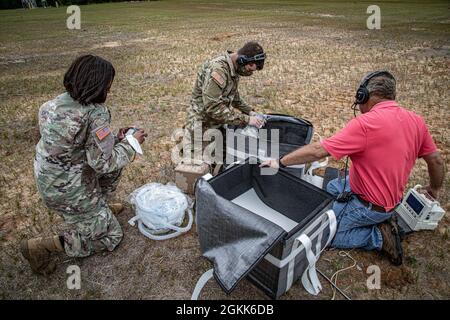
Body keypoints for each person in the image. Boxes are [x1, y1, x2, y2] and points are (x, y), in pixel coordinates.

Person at [261, 71, 444, 265]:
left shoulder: (365, 124)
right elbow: (436, 161)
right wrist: (434, 189)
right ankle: (370, 216)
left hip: (372, 207)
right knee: (331, 188)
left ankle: (379, 238)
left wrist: (279, 162)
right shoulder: (417, 121)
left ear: (364, 95)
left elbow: (317, 151)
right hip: (387, 197)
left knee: (322, 235)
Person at [21, 55, 148, 275]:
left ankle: (96, 209)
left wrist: (114, 140)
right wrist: (131, 142)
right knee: (112, 236)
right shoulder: (95, 113)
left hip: (50, 182)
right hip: (69, 191)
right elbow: (104, 163)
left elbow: (74, 147)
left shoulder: (50, 105)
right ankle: (41, 247)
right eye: (107, 88)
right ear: (96, 86)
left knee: (114, 166)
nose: (108, 93)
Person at [182, 41, 266, 166]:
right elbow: (213, 107)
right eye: (249, 69)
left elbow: (234, 96)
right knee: (198, 168)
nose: (249, 73)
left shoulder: (234, 68)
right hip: (201, 125)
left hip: (218, 122)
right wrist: (247, 119)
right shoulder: (218, 70)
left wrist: (249, 111)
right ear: (242, 60)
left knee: (221, 161)